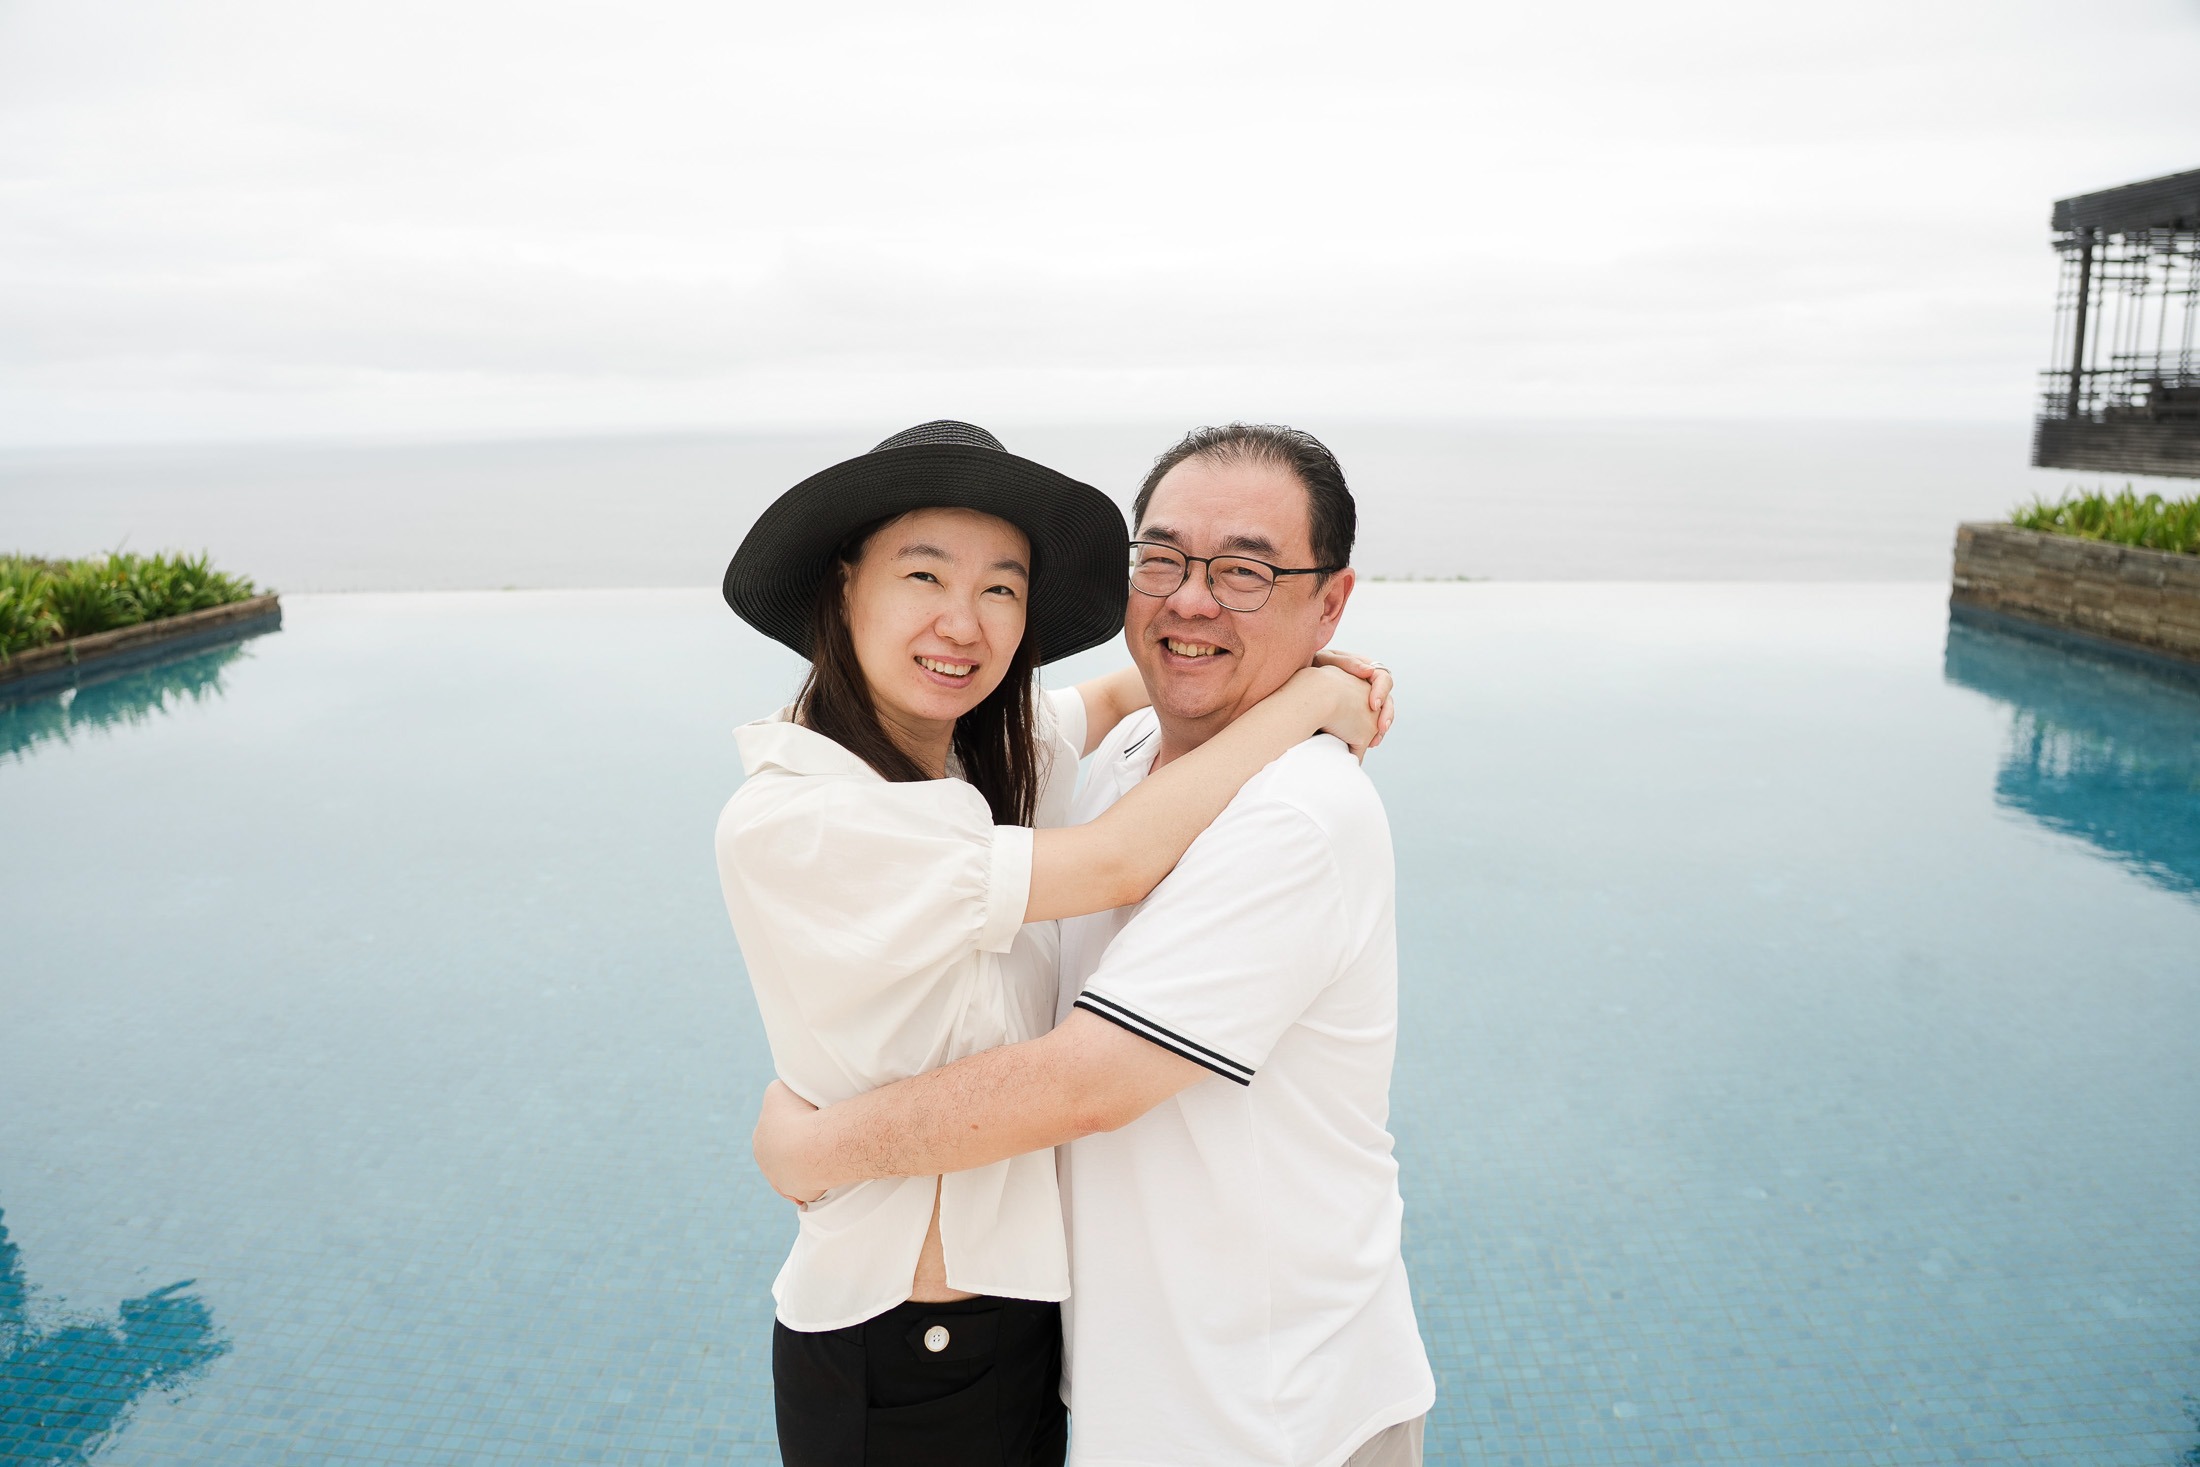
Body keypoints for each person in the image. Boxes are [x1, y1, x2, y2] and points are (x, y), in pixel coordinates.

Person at [754, 423, 1437, 1467]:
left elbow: (1087, 1083)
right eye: (1161, 560)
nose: (1192, 599)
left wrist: (812, 1149)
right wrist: (1308, 691)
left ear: (1330, 603)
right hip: (1135, 1393)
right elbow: (1105, 744)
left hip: (1273, 1416)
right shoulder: (1116, 759)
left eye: (1245, 571)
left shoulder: (1295, 816)